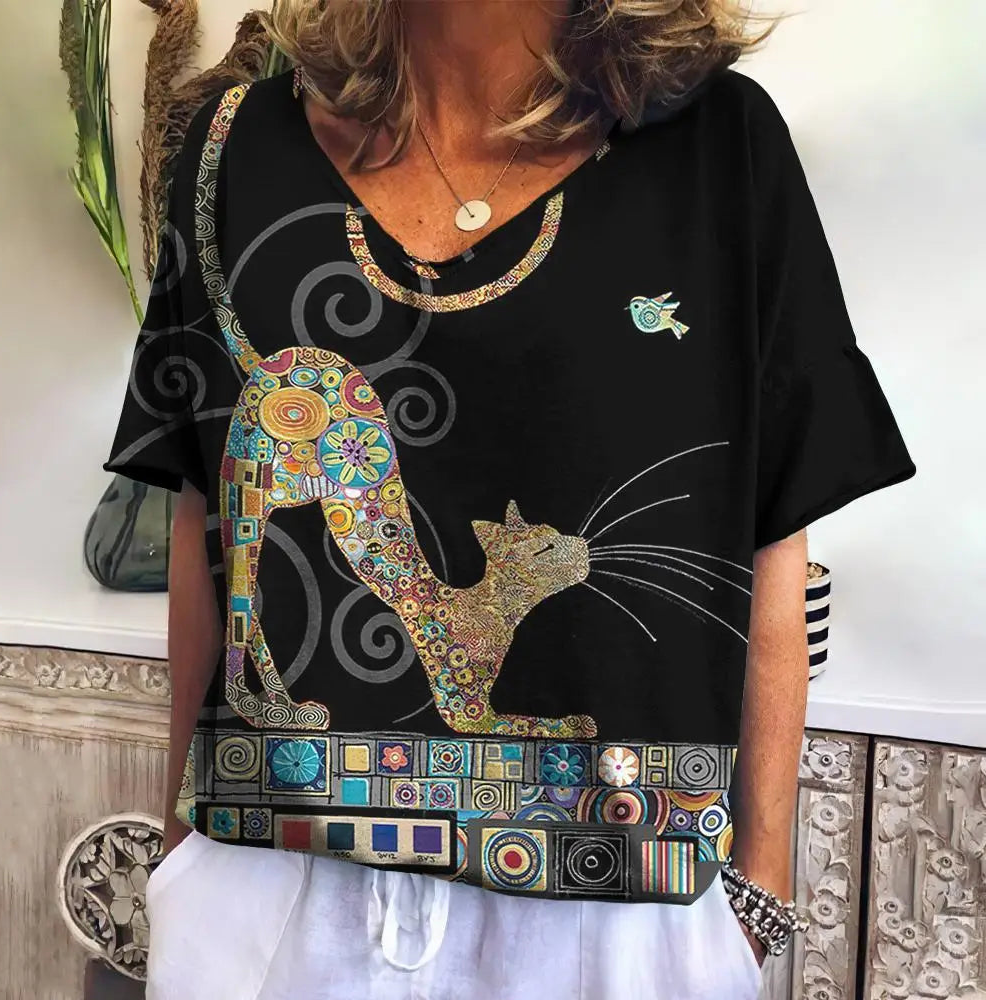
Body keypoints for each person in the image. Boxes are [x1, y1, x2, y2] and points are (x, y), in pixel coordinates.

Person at [104, 2, 915, 998]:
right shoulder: (235, 153)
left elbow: (774, 522)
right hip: (269, 895)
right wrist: (181, 859)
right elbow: (209, 517)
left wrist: (758, 890)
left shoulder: (719, 151)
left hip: (616, 918)